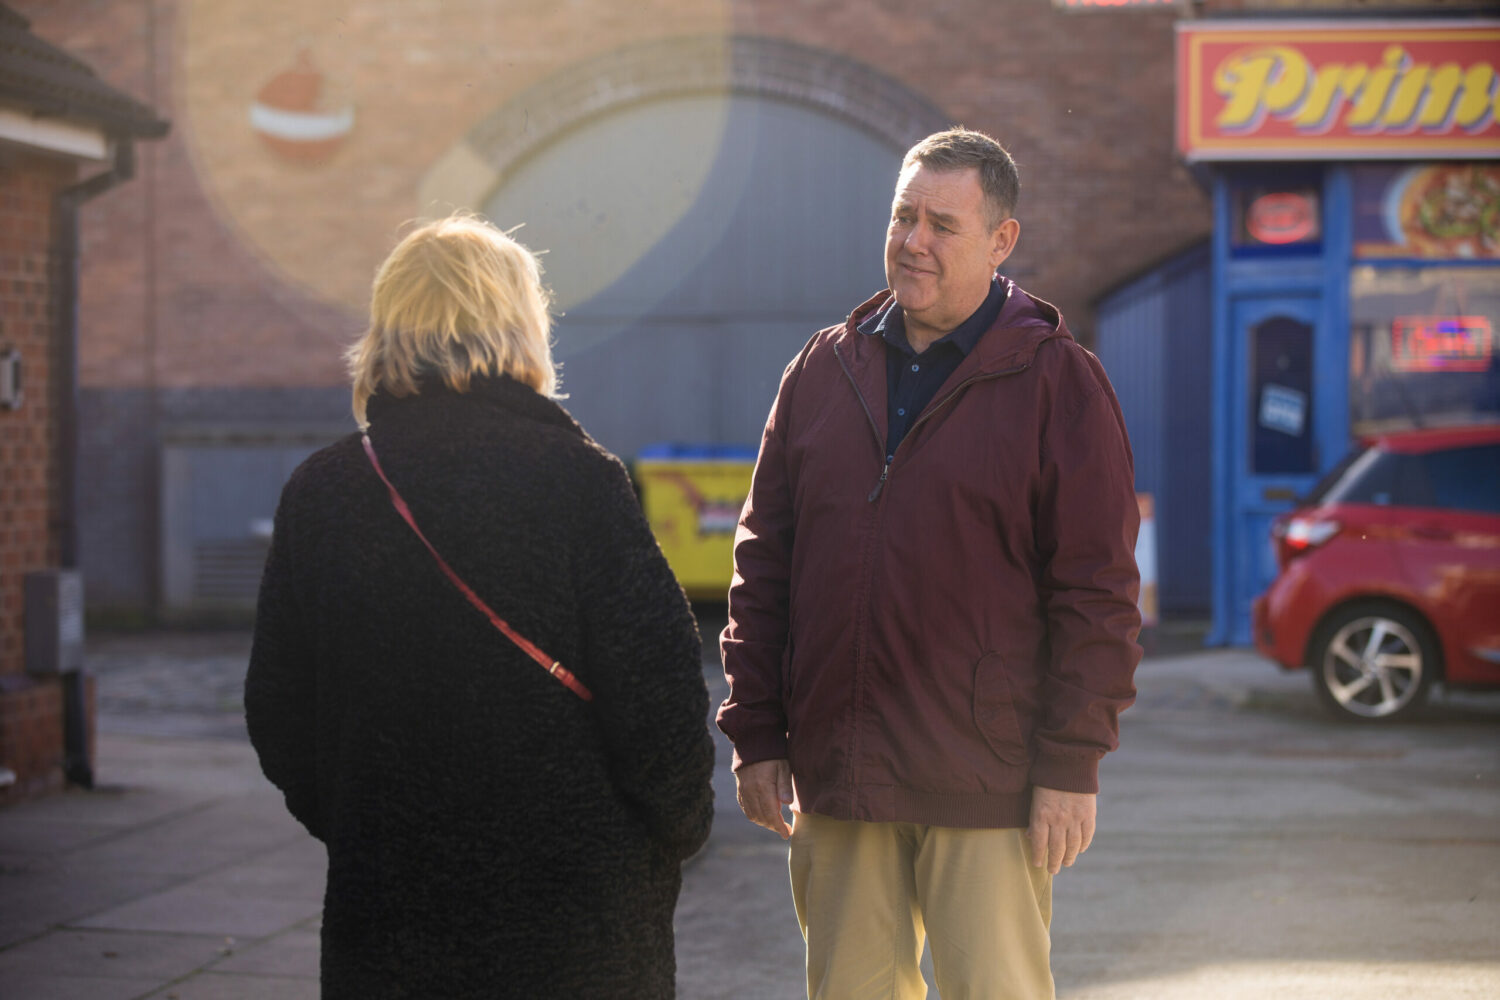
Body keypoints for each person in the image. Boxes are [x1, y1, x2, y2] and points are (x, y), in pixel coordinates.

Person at [245, 214, 715, 999]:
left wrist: (366, 822)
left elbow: (277, 709)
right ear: (521, 325)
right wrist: (677, 830)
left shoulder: (324, 490)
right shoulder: (577, 479)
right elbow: (659, 694)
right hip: (575, 922)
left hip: (387, 912)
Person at [718, 128, 1142, 1000]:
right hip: (840, 778)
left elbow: (1097, 594)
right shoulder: (820, 371)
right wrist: (757, 734)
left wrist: (1071, 764)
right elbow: (763, 568)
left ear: (1001, 240)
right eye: (903, 216)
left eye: (943, 225)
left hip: (987, 780)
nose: (914, 241)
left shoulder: (1059, 383)